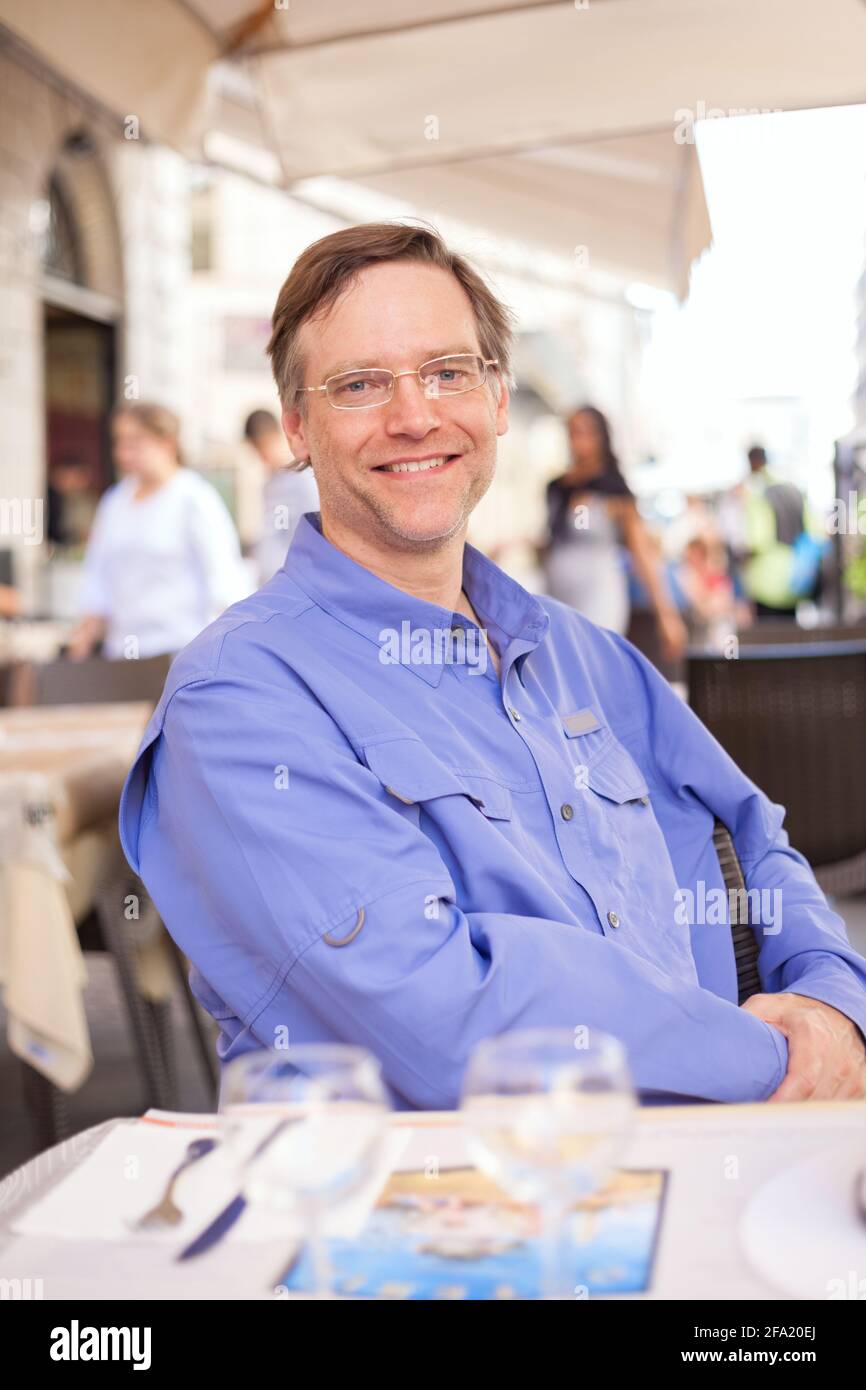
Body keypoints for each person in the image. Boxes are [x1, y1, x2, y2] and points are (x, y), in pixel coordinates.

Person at [119, 222, 866, 1112]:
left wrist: (831, 1004)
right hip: (421, 1220)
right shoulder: (240, 699)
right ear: (297, 428)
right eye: (360, 385)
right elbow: (445, 1019)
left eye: (448, 371)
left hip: (710, 1171)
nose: (415, 416)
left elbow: (755, 837)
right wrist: (779, 1060)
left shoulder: (581, 653)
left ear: (499, 399)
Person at [67, 402, 251, 661]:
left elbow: (224, 580)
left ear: (167, 442)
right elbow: (98, 574)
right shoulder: (115, 501)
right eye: (119, 442)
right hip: (123, 655)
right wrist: (84, 639)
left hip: (182, 652)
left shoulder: (194, 499)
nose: (123, 453)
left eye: (135, 442)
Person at [542, 407, 687, 662]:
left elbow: (641, 551)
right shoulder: (557, 487)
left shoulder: (614, 491)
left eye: (585, 433)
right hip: (557, 596)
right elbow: (551, 542)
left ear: (602, 438)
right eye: (573, 433)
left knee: (593, 662)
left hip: (599, 595)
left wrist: (666, 614)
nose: (578, 441)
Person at [734, 445, 826, 620]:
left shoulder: (758, 494)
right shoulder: (795, 490)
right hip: (797, 579)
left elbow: (757, 539)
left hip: (767, 583)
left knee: (769, 638)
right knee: (791, 633)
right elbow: (815, 531)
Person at [244, 408, 320, 583]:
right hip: (272, 582)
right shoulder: (271, 483)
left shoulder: (303, 480)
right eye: (257, 450)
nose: (263, 456)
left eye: (265, 446)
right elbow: (276, 528)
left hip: (298, 581)